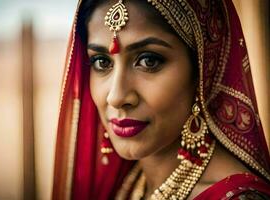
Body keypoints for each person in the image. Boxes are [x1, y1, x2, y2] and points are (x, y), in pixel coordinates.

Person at [52, 0, 270, 199]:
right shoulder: (127, 185)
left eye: (148, 61)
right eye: (101, 62)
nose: (116, 96)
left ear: (203, 72)